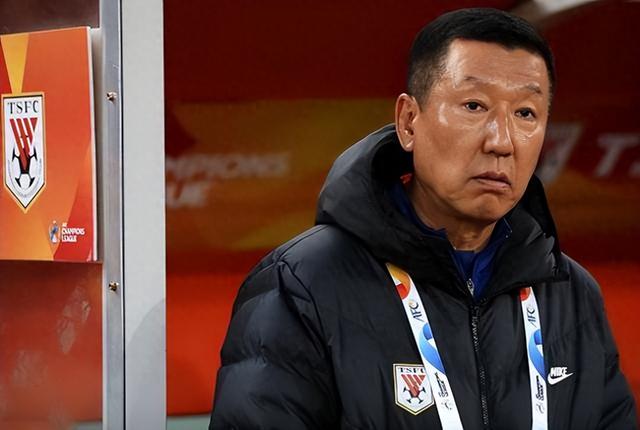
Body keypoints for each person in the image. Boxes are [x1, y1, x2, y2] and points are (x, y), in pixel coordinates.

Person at [209, 8, 638, 429]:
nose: (502, 141)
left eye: (526, 113)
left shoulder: (569, 292)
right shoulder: (303, 284)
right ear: (409, 122)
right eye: (474, 105)